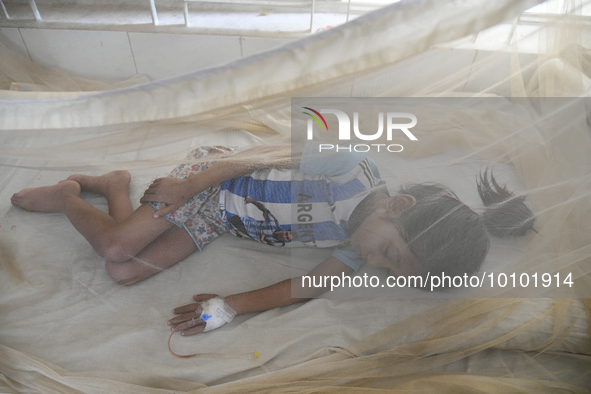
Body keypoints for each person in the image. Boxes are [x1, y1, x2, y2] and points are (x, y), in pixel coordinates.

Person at [10, 143, 534, 336]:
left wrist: (230, 307)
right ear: (399, 207)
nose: (375, 262)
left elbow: (303, 287)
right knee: (116, 249)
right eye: (388, 252)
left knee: (123, 272)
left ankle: (115, 187)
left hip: (218, 220)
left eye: (389, 269)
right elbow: (266, 155)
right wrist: (190, 184)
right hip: (212, 182)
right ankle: (67, 198)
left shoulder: (360, 250)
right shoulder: (351, 168)